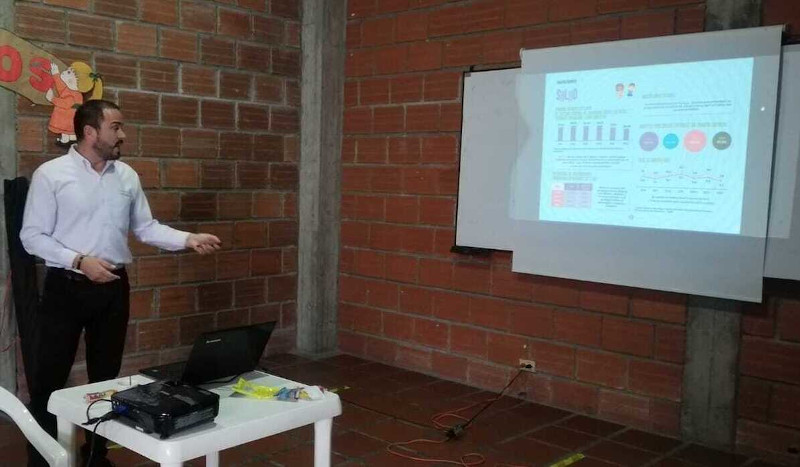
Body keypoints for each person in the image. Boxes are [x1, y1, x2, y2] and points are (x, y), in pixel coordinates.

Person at [20, 100, 221, 467]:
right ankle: (42, 460)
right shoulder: (51, 175)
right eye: (115, 127)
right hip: (65, 288)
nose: (123, 134)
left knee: (105, 380)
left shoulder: (126, 176)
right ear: (89, 132)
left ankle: (96, 456)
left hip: (113, 288)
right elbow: (32, 236)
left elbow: (146, 228)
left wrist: (187, 238)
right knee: (48, 380)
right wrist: (79, 260)